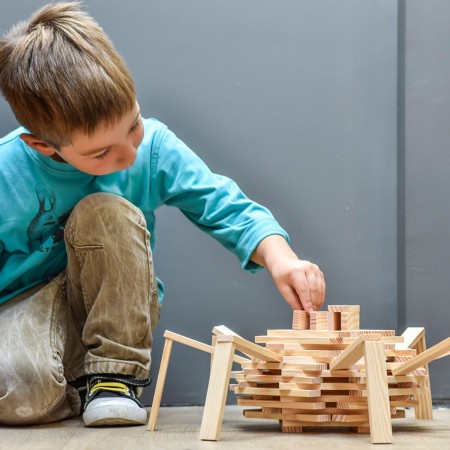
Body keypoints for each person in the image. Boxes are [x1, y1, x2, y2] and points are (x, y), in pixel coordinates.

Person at [0, 2, 325, 427]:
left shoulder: (153, 148)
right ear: (44, 146)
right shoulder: (9, 173)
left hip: (116, 306)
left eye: (132, 125)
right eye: (101, 152)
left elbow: (222, 203)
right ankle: (74, 384)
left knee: (106, 211)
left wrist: (281, 258)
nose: (129, 153)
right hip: (28, 309)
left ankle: (113, 378)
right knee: (23, 400)